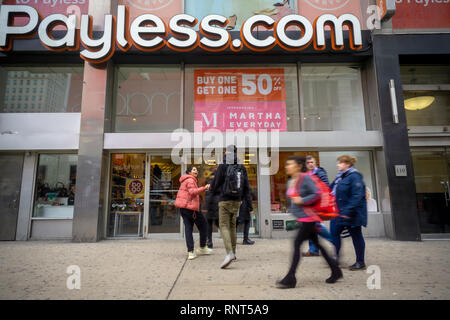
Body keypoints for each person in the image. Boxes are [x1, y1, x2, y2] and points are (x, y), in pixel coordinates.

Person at [276, 156, 342, 289]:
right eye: (287, 164)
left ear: (299, 166)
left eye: (290, 164)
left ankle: (291, 278)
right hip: (302, 218)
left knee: (296, 244)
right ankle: (335, 271)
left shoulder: (304, 178)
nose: (287, 167)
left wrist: (302, 200)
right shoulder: (292, 180)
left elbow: (316, 193)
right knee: (318, 244)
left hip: (309, 218)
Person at [210, 145, 251, 269]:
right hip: (237, 201)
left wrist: (212, 191)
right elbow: (246, 186)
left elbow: (216, 182)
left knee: (223, 225)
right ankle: (234, 252)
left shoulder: (223, 166)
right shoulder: (241, 167)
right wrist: (243, 199)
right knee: (233, 225)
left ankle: (229, 253)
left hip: (224, 200)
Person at [329, 155, 368, 271]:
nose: (338, 165)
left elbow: (357, 196)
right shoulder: (340, 177)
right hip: (338, 212)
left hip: (352, 213)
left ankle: (360, 262)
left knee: (356, 236)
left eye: (340, 163)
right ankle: (336, 259)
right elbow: (329, 189)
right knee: (334, 232)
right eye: (338, 162)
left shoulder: (355, 177)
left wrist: (347, 211)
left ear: (348, 164)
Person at [175, 166, 213, 260]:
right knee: (203, 225)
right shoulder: (190, 180)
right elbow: (192, 192)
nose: (196, 171)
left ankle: (191, 252)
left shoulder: (185, 180)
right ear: (189, 172)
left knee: (188, 229)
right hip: (191, 208)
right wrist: (204, 188)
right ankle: (202, 247)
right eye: (194, 170)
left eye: (196, 170)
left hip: (184, 208)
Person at [303, 155, 334, 257]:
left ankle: (334, 241)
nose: (310, 164)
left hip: (318, 203)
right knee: (311, 226)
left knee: (316, 226)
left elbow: (326, 186)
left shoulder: (320, 172)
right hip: (309, 204)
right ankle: (313, 250)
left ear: (315, 163)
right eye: (308, 163)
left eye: (312, 162)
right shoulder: (306, 174)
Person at [205, 168, 220, 248]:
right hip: (217, 204)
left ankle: (209, 241)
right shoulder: (219, 180)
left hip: (210, 204)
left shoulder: (209, 181)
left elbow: (208, 192)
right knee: (219, 223)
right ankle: (228, 238)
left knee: (209, 224)